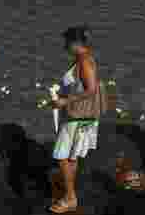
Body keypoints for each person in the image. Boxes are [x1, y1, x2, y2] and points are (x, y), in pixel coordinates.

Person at [50, 26, 104, 214]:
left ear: (75, 43)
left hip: (76, 116)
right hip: (83, 116)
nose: (64, 46)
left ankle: (71, 197)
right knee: (72, 156)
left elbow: (90, 89)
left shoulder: (84, 61)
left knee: (62, 156)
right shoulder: (85, 58)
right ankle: (69, 193)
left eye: (66, 42)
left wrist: (64, 100)